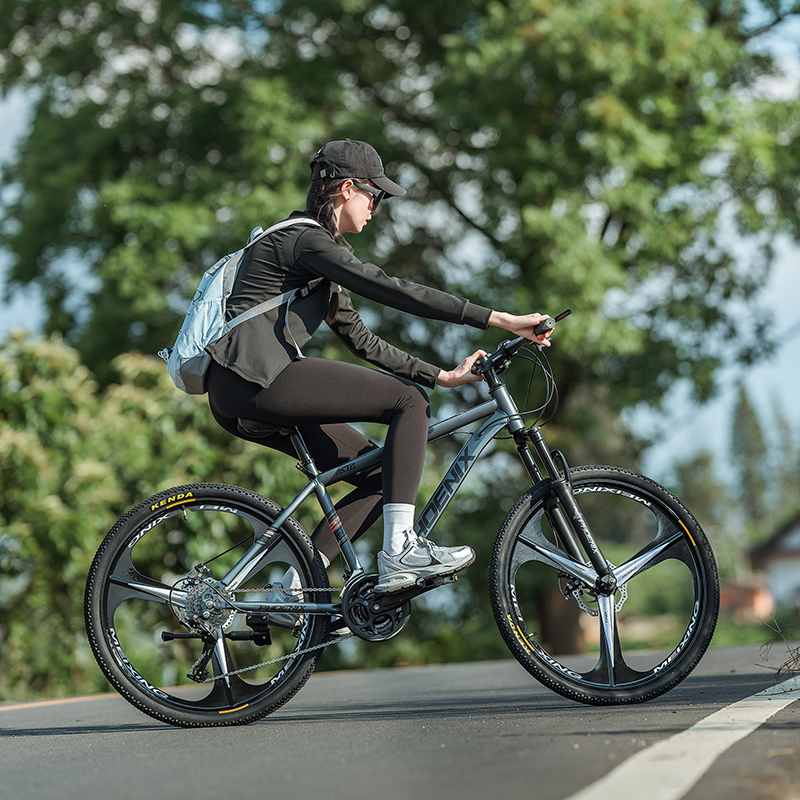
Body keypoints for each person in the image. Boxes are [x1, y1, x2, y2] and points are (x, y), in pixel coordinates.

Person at [204, 139, 551, 622]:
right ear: (347, 189)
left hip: (243, 384)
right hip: (254, 375)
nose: (377, 209)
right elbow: (391, 289)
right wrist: (500, 319)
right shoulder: (305, 242)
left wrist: (442, 376)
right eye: (376, 197)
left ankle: (292, 590)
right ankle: (401, 551)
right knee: (408, 403)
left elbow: (360, 338)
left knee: (378, 474)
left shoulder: (320, 255)